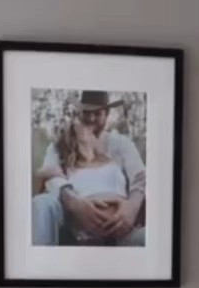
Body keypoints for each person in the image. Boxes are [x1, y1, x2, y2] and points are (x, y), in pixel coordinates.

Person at [32, 91, 146, 247]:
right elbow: (50, 176)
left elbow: (140, 178)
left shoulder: (120, 143)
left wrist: (131, 209)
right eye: (87, 113)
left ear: (107, 114)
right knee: (42, 202)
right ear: (79, 113)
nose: (91, 119)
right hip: (74, 225)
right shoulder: (62, 145)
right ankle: (41, 260)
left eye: (97, 114)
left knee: (146, 238)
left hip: (120, 228)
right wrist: (74, 202)